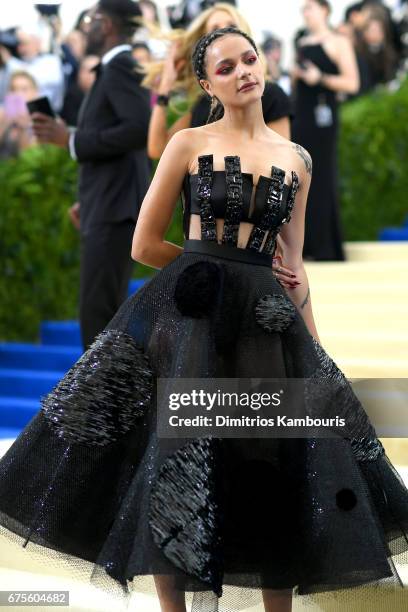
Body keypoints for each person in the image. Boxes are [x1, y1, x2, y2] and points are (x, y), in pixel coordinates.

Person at [1, 24, 408, 612]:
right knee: (180, 466)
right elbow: (144, 243)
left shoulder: (297, 158)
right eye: (227, 67)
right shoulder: (187, 143)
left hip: (268, 330)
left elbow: (291, 261)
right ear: (207, 83)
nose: (245, 71)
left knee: (269, 469)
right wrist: (206, 272)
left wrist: (312, 344)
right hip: (190, 323)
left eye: (250, 59)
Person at [31, 0, 152, 350]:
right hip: (106, 206)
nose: (85, 26)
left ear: (108, 24)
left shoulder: (120, 67)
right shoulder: (113, 69)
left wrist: (69, 139)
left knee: (98, 321)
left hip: (115, 212)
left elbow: (137, 129)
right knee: (100, 318)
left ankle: (105, 404)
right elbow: (118, 138)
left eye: (91, 18)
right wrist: (89, 199)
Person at [143, 1, 293, 161]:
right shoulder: (202, 105)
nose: (224, 32)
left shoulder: (270, 94)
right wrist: (165, 85)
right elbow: (157, 148)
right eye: (215, 29)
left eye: (232, 26)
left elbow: (281, 165)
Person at [291, 0, 360, 261]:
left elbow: (352, 83)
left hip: (324, 117)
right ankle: (304, 245)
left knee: (322, 176)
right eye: (303, 9)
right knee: (300, 178)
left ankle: (325, 246)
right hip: (302, 115)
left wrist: (319, 78)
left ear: (324, 10)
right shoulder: (302, 42)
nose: (305, 13)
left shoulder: (338, 42)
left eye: (310, 7)